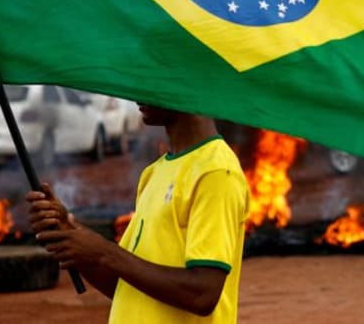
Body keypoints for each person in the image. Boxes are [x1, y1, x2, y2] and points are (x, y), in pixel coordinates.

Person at [26, 104, 249, 323]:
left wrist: (103, 252)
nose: (137, 95)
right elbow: (125, 286)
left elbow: (203, 294)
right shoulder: (153, 173)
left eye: (152, 80)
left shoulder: (216, 174)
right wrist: (71, 234)